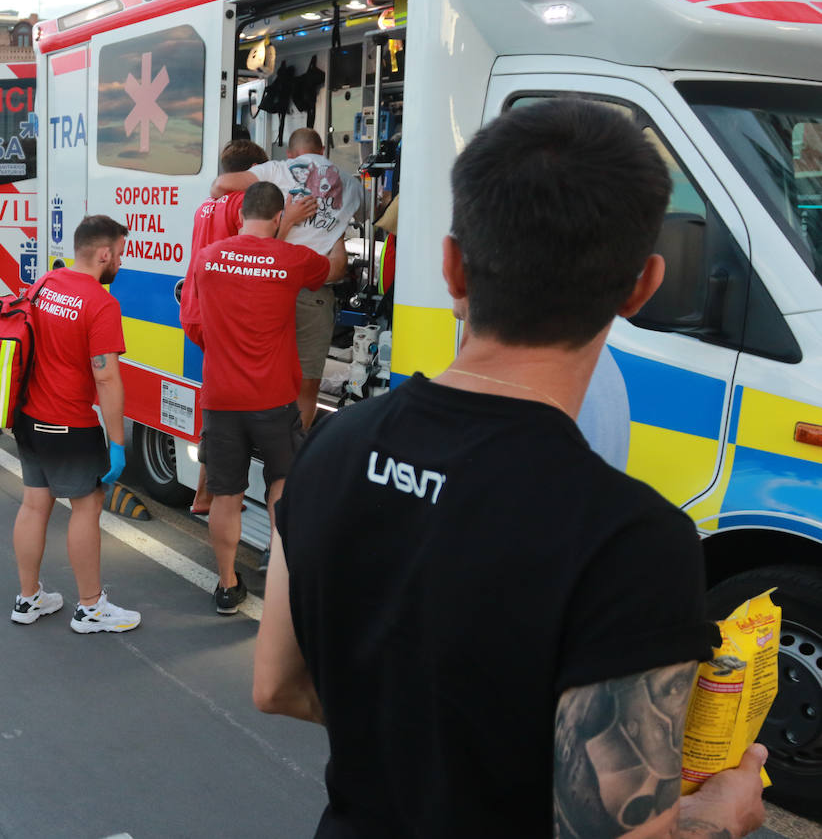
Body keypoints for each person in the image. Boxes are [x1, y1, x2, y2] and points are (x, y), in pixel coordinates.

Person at [251, 100, 768, 838]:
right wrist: (722, 813)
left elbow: (275, 685)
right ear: (642, 287)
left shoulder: (333, 446)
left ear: (453, 265)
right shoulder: (634, 541)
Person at [183, 182, 338, 614]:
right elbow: (333, 269)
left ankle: (228, 584)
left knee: (226, 493)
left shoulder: (208, 258)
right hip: (274, 399)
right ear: (278, 218)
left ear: (240, 215)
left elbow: (200, 310)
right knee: (282, 485)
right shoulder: (293, 259)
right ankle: (283, 577)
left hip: (221, 398)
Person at [9, 215, 140, 634]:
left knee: (34, 504)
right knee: (86, 508)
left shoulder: (47, 282)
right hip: (70, 424)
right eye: (120, 253)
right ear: (104, 253)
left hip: (29, 418)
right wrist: (117, 442)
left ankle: (28, 599)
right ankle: (90, 608)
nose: (121, 260)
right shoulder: (102, 304)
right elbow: (106, 376)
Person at [182, 139, 315, 516]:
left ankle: (206, 493)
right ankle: (212, 491)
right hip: (218, 309)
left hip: (197, 308)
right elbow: (260, 244)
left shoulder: (207, 206)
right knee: (228, 395)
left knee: (217, 392)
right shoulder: (242, 203)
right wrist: (290, 217)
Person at [211, 128, 362, 429]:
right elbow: (358, 228)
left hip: (273, 285)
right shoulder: (353, 184)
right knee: (307, 383)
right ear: (322, 152)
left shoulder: (278, 169)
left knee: (263, 371)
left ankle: (263, 438)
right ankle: (296, 445)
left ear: (292, 153)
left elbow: (220, 185)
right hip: (317, 289)